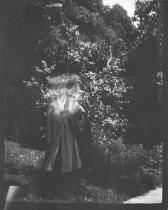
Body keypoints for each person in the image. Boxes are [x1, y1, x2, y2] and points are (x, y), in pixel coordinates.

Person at [40, 74, 86, 195]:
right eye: (58, 87)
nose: (61, 90)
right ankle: (53, 185)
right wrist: (49, 137)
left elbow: (81, 113)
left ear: (67, 89)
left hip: (68, 137)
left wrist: (77, 115)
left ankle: (65, 186)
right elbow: (49, 123)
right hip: (56, 137)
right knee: (55, 160)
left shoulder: (72, 102)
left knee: (68, 159)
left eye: (63, 87)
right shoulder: (53, 104)